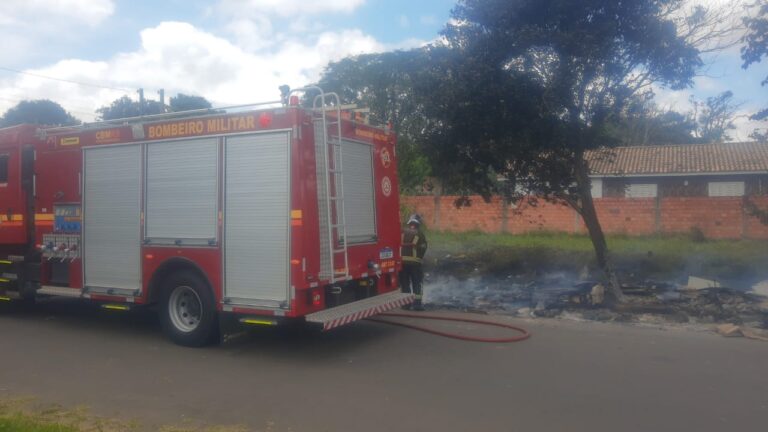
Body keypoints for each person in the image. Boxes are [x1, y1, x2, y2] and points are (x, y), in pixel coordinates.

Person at [400, 214, 428, 311]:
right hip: (415, 264)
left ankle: (405, 305)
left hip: (402, 263)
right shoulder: (420, 233)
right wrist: (420, 258)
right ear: (418, 224)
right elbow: (423, 248)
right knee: (417, 283)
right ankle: (417, 305)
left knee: (405, 284)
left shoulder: (402, 232)